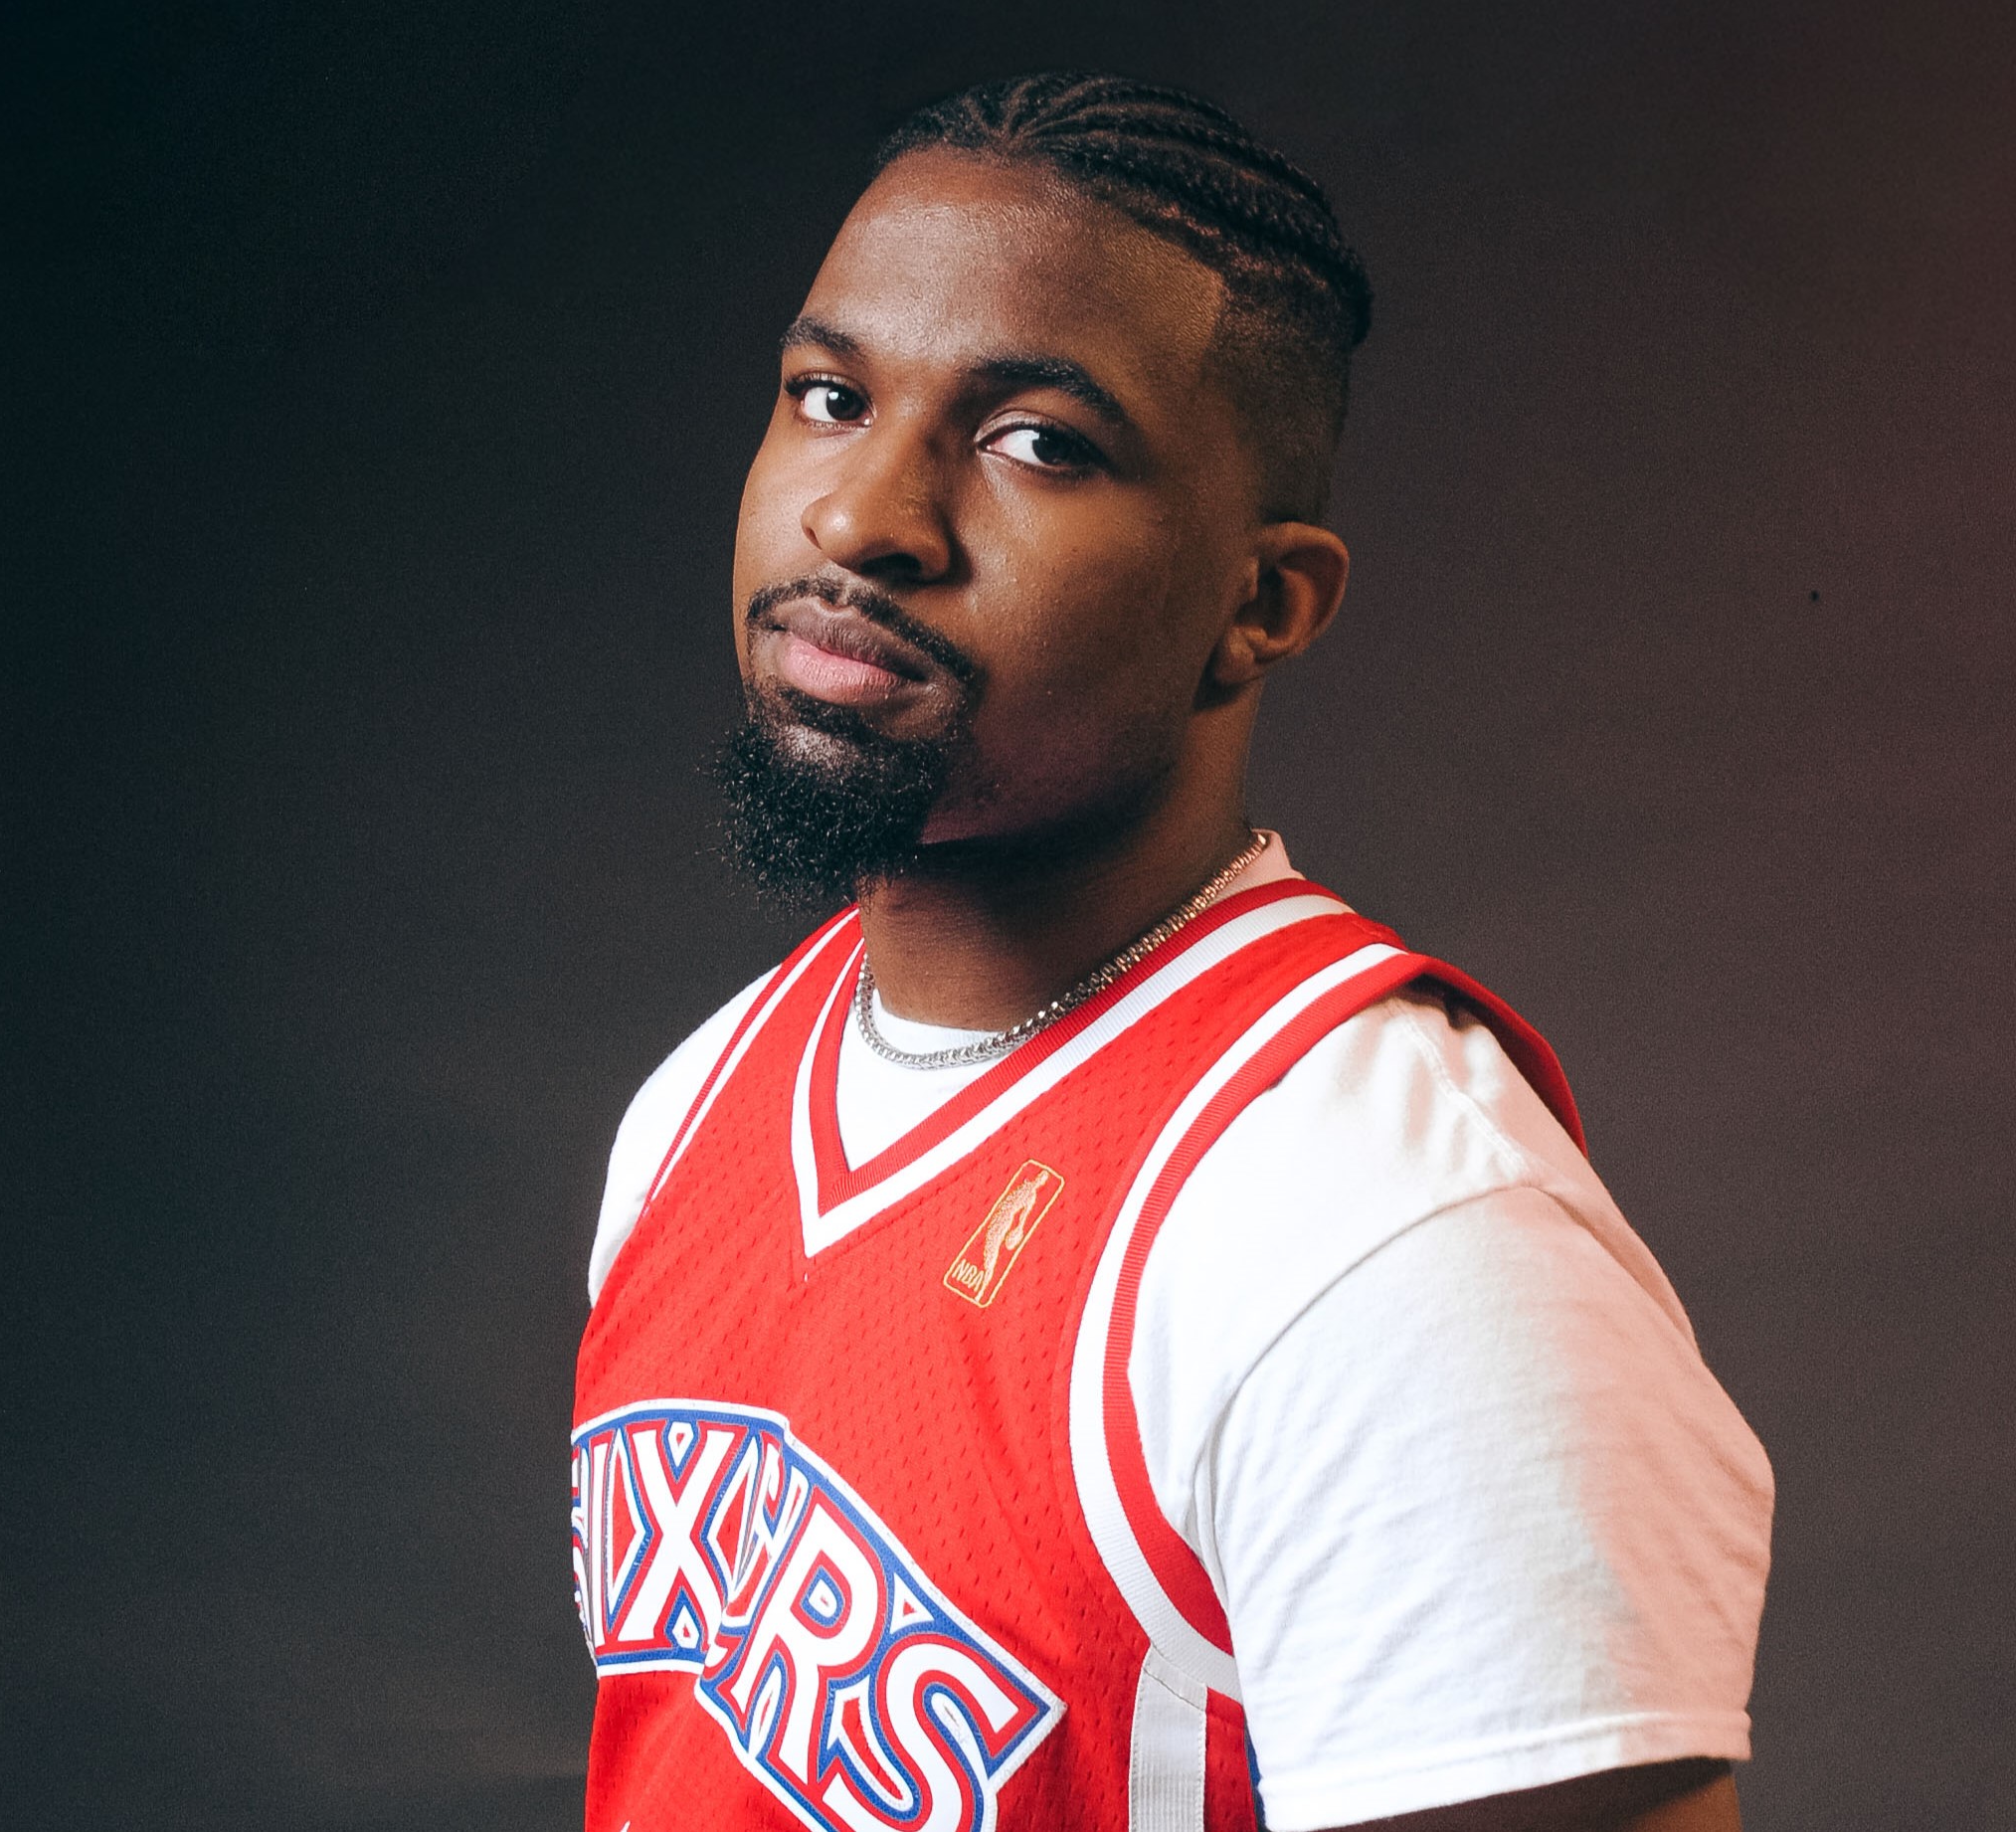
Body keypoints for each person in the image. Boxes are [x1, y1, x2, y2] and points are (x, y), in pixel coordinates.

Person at [572, 73, 1773, 1832]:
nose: (864, 515)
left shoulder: (1382, 1240)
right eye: (832, 398)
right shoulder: (704, 1103)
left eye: (1037, 442)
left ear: (1262, 602)